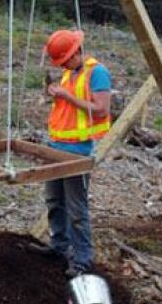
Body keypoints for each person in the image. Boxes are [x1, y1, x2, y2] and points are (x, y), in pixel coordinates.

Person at [41, 29, 112, 278]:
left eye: (64, 61)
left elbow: (101, 110)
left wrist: (67, 97)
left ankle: (82, 259)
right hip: (57, 145)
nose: (63, 66)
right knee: (54, 201)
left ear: (75, 53)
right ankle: (59, 246)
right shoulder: (69, 72)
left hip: (78, 151)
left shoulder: (98, 73)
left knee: (76, 208)